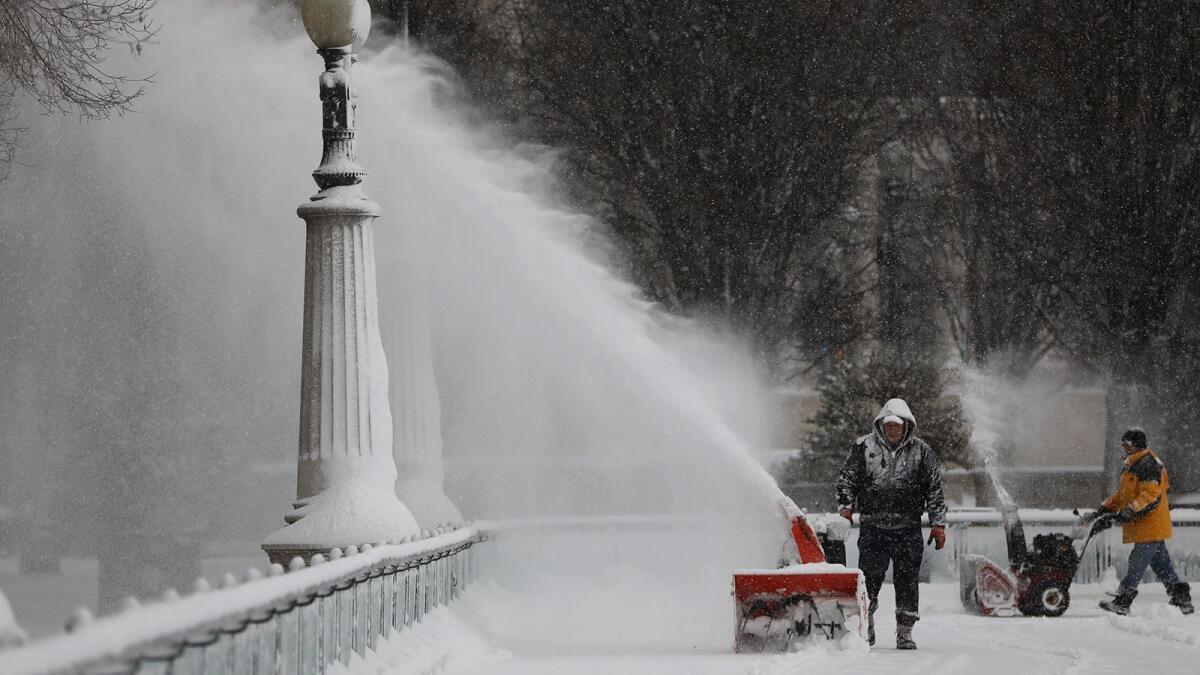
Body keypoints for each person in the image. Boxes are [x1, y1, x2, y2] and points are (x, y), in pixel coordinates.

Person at [837, 398, 946, 650]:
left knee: (907, 580)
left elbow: (934, 490)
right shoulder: (863, 447)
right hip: (873, 527)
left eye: (897, 425)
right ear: (881, 426)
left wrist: (938, 524)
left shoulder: (922, 452)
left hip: (908, 528)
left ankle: (905, 632)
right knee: (870, 579)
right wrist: (845, 511)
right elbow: (847, 481)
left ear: (907, 426)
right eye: (888, 425)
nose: (893, 430)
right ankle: (867, 624)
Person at [1086, 427, 1193, 616]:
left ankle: (1123, 600)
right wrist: (1106, 508)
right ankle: (1181, 598)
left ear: (1137, 445)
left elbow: (1151, 495)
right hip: (1146, 525)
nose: (1125, 448)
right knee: (1161, 564)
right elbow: (1124, 494)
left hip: (1150, 523)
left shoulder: (1148, 463)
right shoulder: (1133, 463)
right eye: (1123, 445)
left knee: (1137, 562)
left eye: (1127, 445)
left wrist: (1131, 510)